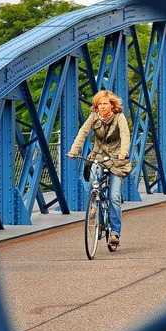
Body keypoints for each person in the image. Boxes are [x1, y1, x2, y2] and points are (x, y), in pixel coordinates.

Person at [67, 90, 131, 246]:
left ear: (111, 105)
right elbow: (83, 132)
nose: (102, 107)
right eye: (99, 104)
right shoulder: (94, 117)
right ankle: (95, 204)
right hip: (99, 156)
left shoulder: (119, 117)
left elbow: (125, 134)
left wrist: (124, 152)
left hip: (116, 159)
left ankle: (115, 232)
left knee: (114, 196)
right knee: (94, 181)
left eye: (105, 104)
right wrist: (74, 150)